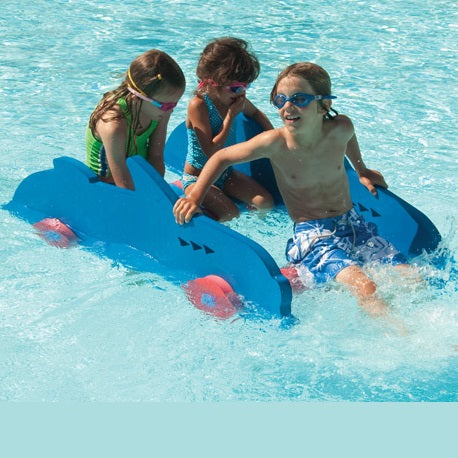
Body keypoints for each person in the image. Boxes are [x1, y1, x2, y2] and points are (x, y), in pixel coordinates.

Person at [173, 62, 411, 318]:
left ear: (324, 104)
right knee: (366, 288)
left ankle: (303, 276)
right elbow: (221, 157)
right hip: (314, 234)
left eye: (299, 99)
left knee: (410, 277)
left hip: (352, 224)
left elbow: (349, 137)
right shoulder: (276, 143)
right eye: (280, 100)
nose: (287, 107)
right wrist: (195, 195)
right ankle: (403, 337)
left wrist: (362, 170)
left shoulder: (340, 128)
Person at [182, 37, 274, 221]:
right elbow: (211, 152)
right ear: (211, 82)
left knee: (265, 203)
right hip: (197, 178)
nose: (241, 93)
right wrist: (230, 117)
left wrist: (274, 138)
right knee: (231, 213)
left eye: (245, 86)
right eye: (235, 87)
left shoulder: (233, 99)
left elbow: (256, 114)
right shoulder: (198, 105)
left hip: (226, 174)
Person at [86, 49, 185, 190]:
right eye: (166, 105)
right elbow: (122, 184)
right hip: (105, 187)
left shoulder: (159, 111)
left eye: (174, 104)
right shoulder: (113, 124)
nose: (170, 110)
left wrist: (156, 190)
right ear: (138, 97)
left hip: (136, 178)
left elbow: (156, 156)